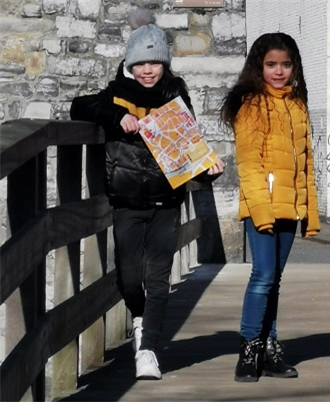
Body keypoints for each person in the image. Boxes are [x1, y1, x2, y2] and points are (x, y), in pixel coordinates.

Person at [70, 9, 224, 380]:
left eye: (155, 62)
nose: (148, 70)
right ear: (130, 64)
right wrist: (114, 117)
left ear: (165, 64)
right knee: (127, 278)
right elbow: (79, 106)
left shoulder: (175, 93)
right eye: (140, 63)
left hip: (166, 199)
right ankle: (140, 319)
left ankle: (148, 350)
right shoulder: (116, 94)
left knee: (157, 277)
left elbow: (188, 145)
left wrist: (208, 170)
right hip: (126, 201)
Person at [220, 32, 320, 383]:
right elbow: (249, 165)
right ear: (258, 67)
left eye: (286, 64)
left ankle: (269, 346)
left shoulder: (297, 104)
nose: (279, 72)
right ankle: (249, 349)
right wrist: (261, 212)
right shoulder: (251, 105)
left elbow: (306, 164)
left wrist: (309, 213)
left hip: (290, 208)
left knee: (274, 279)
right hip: (262, 206)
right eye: (271, 65)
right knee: (262, 276)